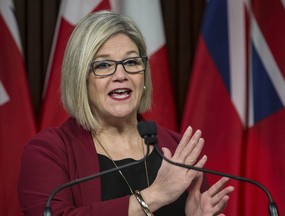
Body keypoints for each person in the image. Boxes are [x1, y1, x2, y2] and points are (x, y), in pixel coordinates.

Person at [18, 10, 234, 216]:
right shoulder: (49, 152)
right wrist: (155, 195)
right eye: (103, 65)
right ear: (80, 79)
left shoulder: (176, 149)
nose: (120, 75)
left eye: (131, 62)